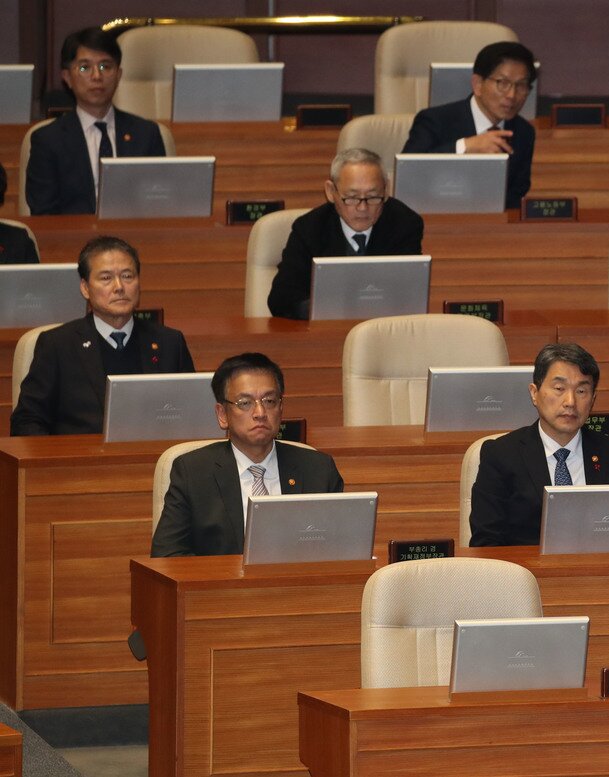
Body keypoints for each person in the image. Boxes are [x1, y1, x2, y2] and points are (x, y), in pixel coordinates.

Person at [151, 353, 345, 557]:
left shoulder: (318, 469)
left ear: (281, 408)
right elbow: (167, 556)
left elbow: (342, 550)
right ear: (222, 415)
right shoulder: (193, 472)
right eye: (245, 403)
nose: (260, 412)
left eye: (269, 401)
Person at [10, 236, 194, 435]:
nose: (119, 287)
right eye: (106, 278)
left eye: (127, 276)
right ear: (85, 288)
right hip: (80, 461)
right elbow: (27, 420)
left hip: (152, 459)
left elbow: (192, 412)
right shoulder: (57, 344)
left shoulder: (169, 342)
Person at [469, 343, 609, 546]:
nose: (570, 401)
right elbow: (486, 542)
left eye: (581, 391)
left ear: (593, 399)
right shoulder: (501, 455)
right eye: (559, 388)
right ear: (534, 393)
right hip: (528, 574)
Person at [266, 148, 424, 320]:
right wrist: (326, 311)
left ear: (386, 191)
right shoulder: (309, 228)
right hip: (325, 331)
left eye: (373, 197)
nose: (362, 208)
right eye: (351, 197)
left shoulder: (405, 224)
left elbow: (409, 294)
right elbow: (281, 298)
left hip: (383, 331)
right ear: (331, 192)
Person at [25, 27, 166, 216]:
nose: (97, 77)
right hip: (72, 242)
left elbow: (160, 203)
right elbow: (43, 213)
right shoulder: (48, 140)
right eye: (85, 67)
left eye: (105, 67)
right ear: (67, 77)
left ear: (118, 74)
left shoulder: (147, 134)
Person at [401, 40, 537, 210]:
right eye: (502, 83)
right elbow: (409, 175)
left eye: (521, 85)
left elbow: (518, 193)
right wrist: (464, 146)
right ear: (478, 85)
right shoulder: (434, 120)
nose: (512, 94)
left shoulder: (524, 132)